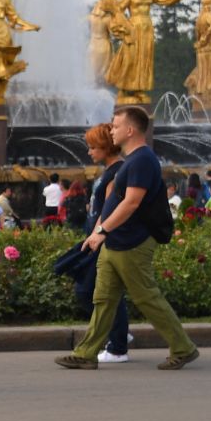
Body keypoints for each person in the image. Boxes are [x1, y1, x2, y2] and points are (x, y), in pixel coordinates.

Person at [57, 105, 198, 371]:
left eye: (116, 126)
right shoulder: (131, 160)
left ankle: (183, 347)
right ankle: (86, 353)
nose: (112, 130)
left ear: (130, 130)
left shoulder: (143, 159)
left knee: (146, 297)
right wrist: (98, 232)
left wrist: (102, 231)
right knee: (103, 299)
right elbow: (113, 201)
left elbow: (132, 203)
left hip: (133, 241)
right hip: (115, 241)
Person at [72, 123, 131, 363]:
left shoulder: (117, 172)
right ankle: (119, 336)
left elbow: (109, 210)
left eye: (93, 147)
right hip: (98, 237)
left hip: (103, 240)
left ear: (106, 147)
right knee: (108, 293)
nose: (89, 152)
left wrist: (97, 235)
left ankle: (118, 342)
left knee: (88, 291)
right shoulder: (111, 170)